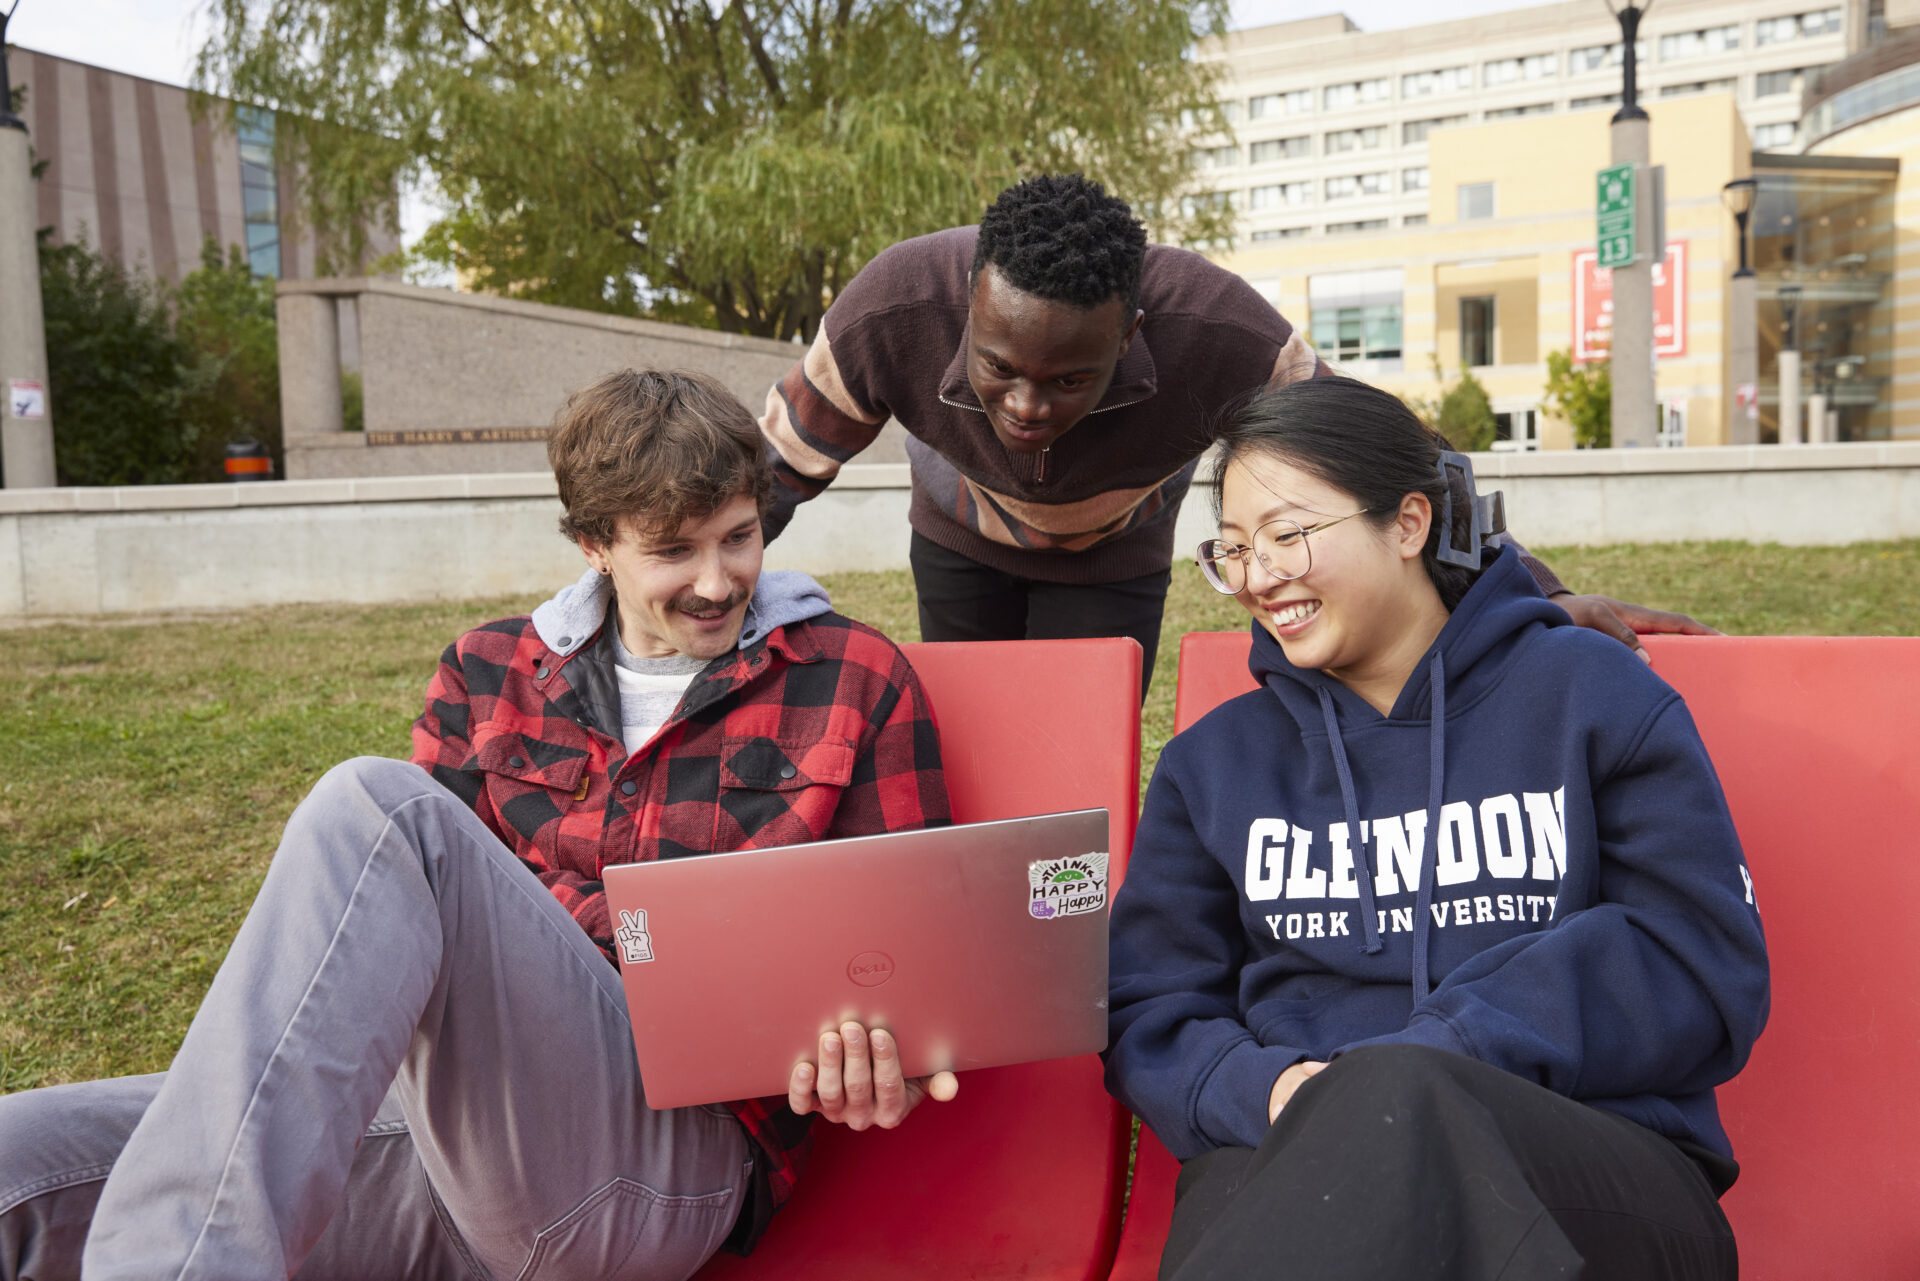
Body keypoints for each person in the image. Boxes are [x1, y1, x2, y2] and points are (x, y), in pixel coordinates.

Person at [0, 370, 954, 1281]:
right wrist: (618, 928)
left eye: (740, 537)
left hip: (663, 1162)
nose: (717, 580)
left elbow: (907, 955)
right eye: (674, 551)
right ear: (593, 543)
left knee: (381, 813)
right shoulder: (486, 669)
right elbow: (416, 934)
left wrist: (882, 1056)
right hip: (442, 1143)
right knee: (21, 1164)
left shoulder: (851, 677)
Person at [1103, 375, 1769, 1280]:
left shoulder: (1590, 694)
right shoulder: (1213, 765)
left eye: (1288, 536)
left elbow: (1696, 958)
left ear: (1409, 523)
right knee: (1306, 1164)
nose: (1258, 577)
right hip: (1285, 1150)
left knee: (1395, 1095)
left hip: (1597, 1164)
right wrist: (1271, 1089)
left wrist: (1444, 1049)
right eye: (1232, 550)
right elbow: (1152, 1004)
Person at [757, 173, 1711, 695]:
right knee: (967, 728)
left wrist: (1544, 593)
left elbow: (1386, 462)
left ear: (1131, 333)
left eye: (1068, 378)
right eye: (999, 367)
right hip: (961, 535)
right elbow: (773, 476)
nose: (1026, 408)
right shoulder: (893, 306)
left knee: (1076, 742)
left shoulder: (1220, 332)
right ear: (966, 304)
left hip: (1112, 554)